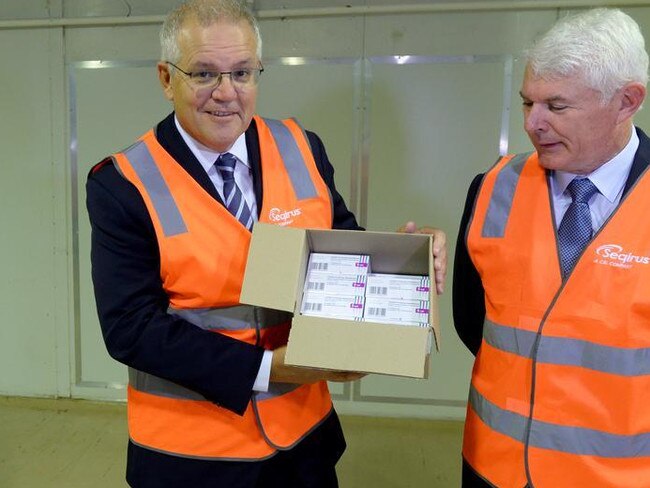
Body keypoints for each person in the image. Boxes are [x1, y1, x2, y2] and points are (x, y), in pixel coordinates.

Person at [86, 1, 446, 486]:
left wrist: (400, 257)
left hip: (304, 444)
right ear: (166, 79)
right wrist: (268, 368)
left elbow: (340, 249)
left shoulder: (301, 146)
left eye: (242, 72)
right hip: (192, 455)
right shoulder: (123, 183)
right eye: (204, 74)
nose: (226, 93)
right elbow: (129, 328)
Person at [453, 7, 650, 488]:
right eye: (527, 103)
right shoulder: (493, 187)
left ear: (626, 101)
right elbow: (470, 318)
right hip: (493, 467)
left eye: (556, 107)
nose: (533, 124)